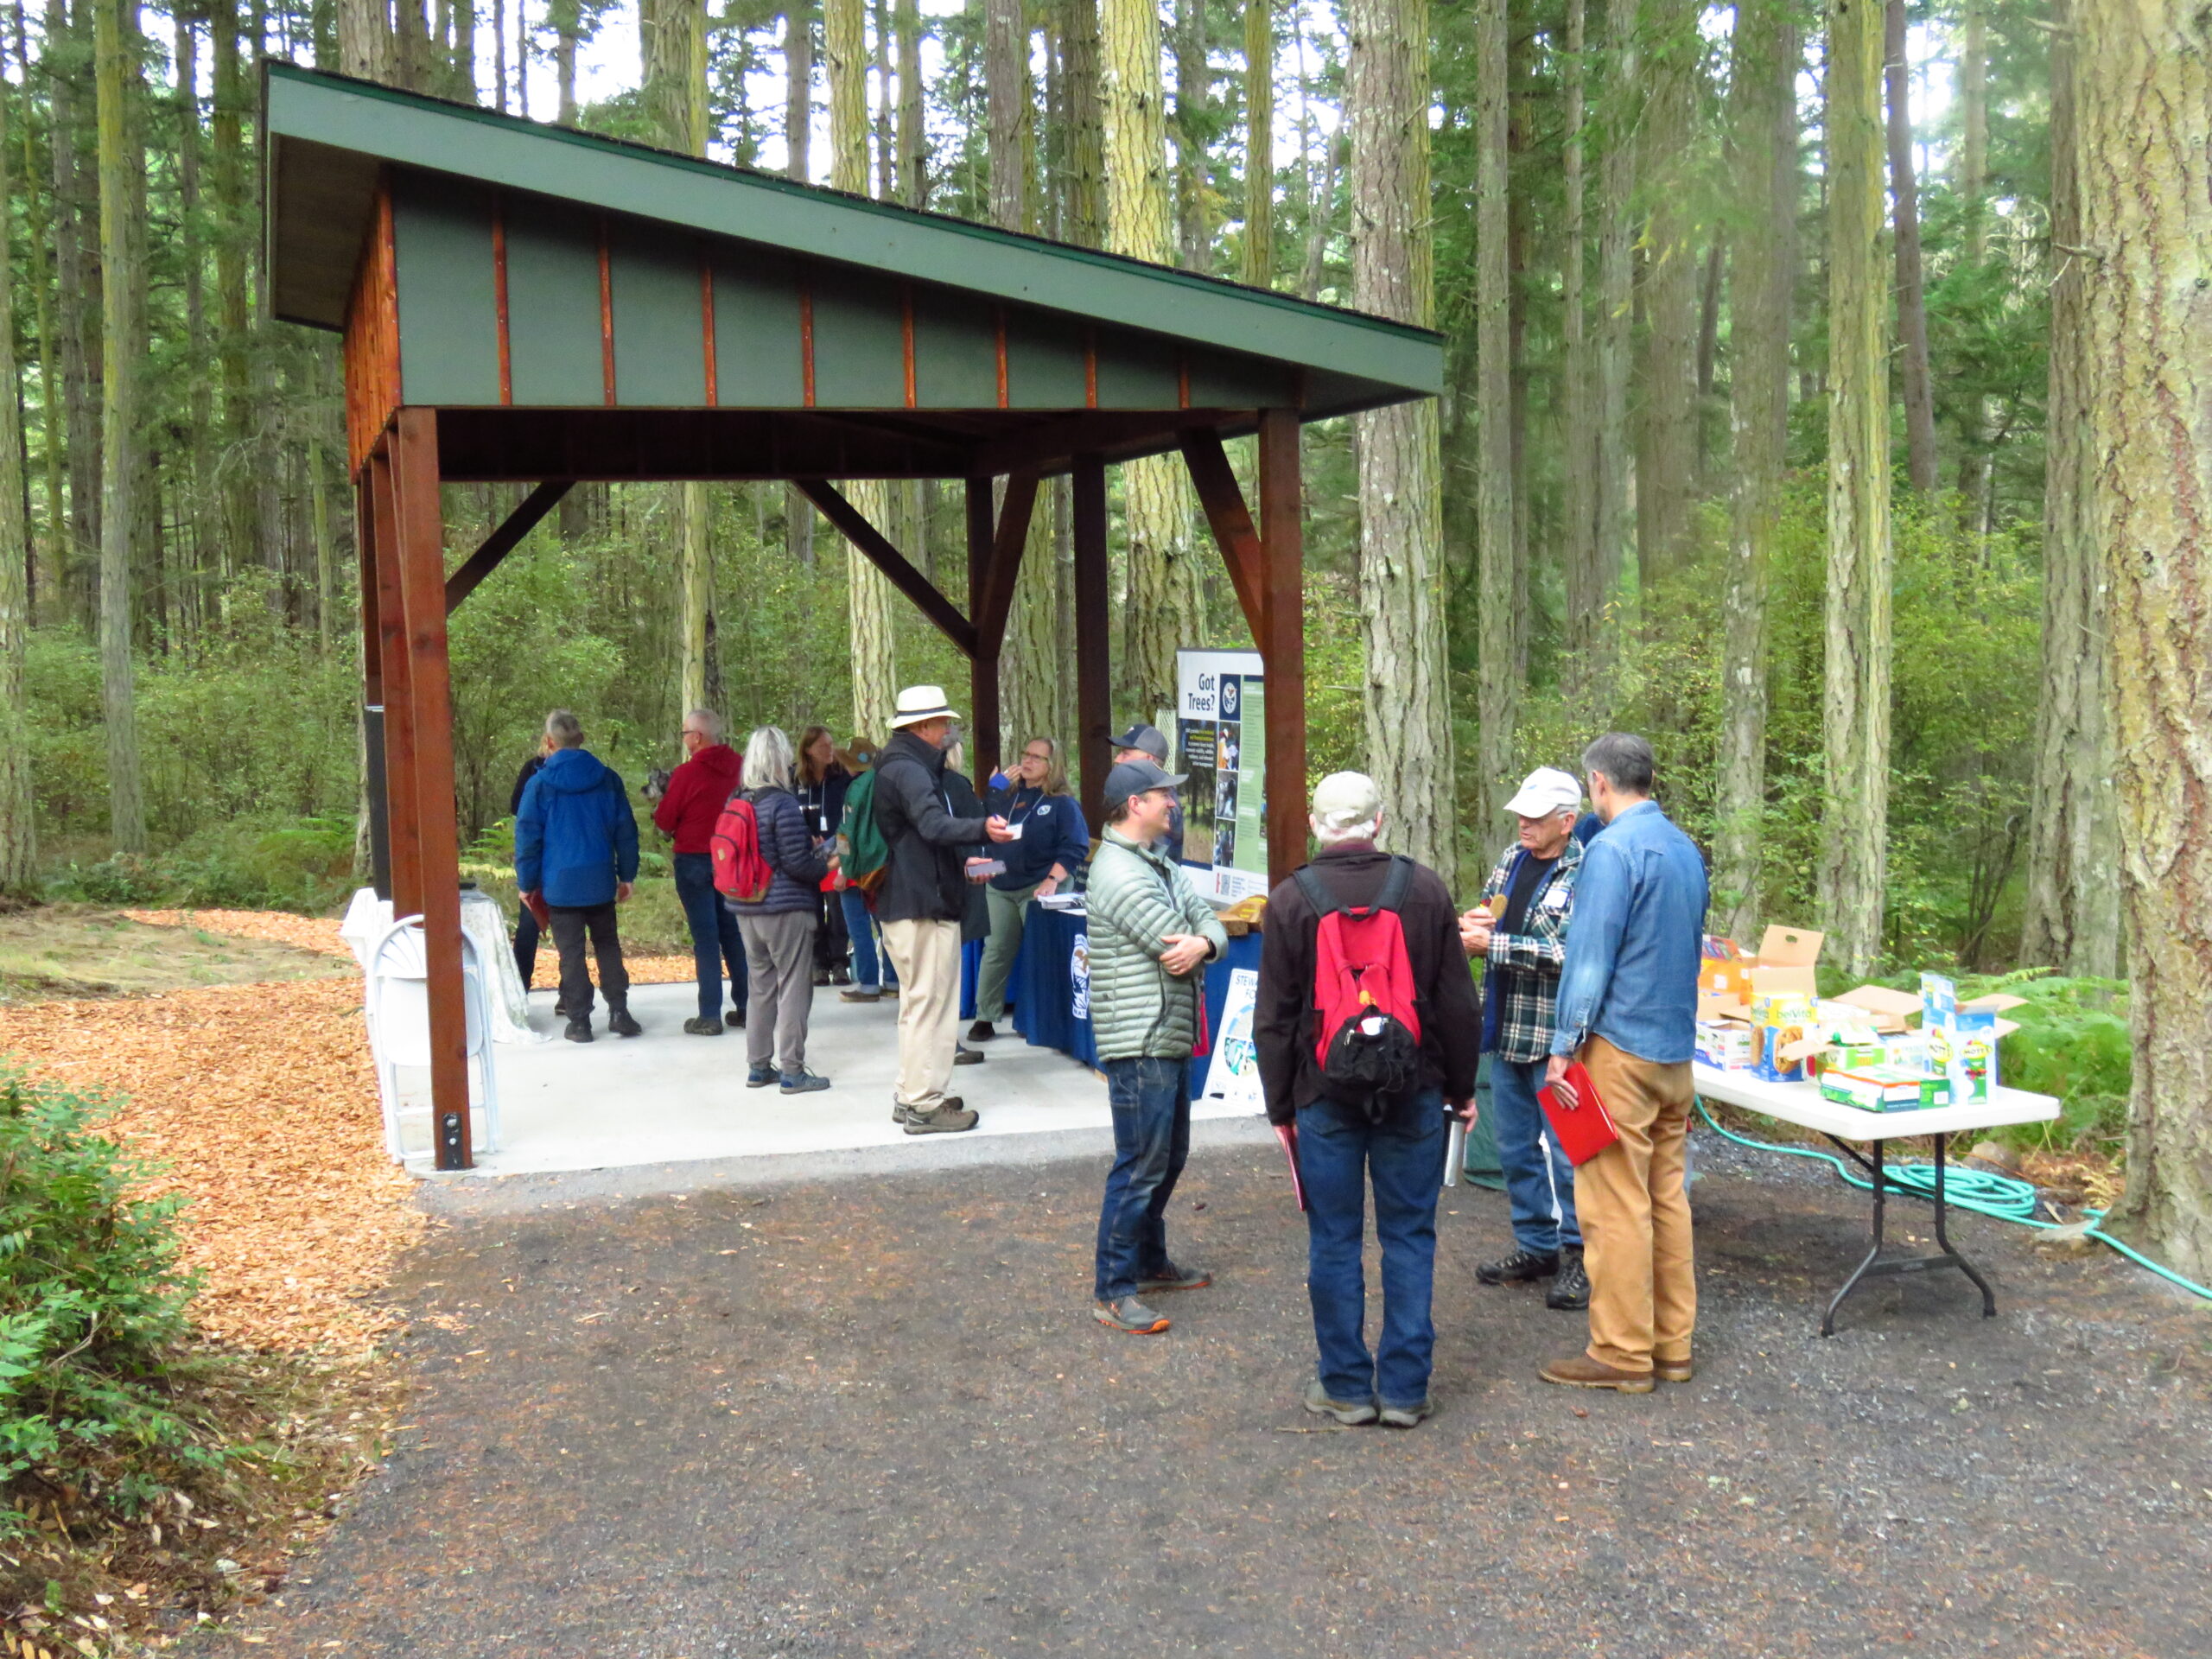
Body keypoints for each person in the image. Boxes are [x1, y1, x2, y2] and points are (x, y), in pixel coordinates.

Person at [1254, 772, 1480, 1428]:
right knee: (1410, 1235)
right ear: (1380, 822)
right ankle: (1406, 1391)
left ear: (1318, 826)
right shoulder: (1425, 889)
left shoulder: (1292, 900)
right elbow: (1458, 1006)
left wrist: (1280, 1108)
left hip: (1323, 1096)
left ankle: (1347, 1387)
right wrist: (1461, 1090)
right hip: (1414, 1092)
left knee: (1333, 1238)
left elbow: (1274, 1018)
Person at [1541, 733, 1709, 1394]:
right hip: (1675, 1056)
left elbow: (1589, 960)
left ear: (1599, 785)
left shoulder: (1611, 851)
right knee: (1667, 1200)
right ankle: (1672, 1346)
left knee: (1613, 1207)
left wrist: (1562, 1048)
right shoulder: (1685, 847)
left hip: (1620, 1052)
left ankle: (1621, 1352)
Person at [1084, 758, 1227, 1335]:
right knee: (1141, 1164)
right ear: (1135, 804)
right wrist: (1199, 940)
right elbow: (1173, 939)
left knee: (1167, 1157)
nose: (1173, 803)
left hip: (1162, 1033)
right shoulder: (1121, 873)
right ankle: (1114, 1289)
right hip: (1141, 1038)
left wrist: (1206, 944)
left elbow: (1205, 927)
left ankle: (1146, 1260)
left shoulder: (1157, 864)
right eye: (1163, 795)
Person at [1459, 766, 1588, 1310]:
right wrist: (1475, 925)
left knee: (1570, 1153)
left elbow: (1575, 955)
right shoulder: (1512, 861)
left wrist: (1498, 948)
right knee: (1515, 1148)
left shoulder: (1585, 872)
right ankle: (1537, 1246)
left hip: (1555, 1036)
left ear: (1568, 821)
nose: (1524, 824)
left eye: (1536, 817)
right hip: (1505, 1027)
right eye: (1520, 814)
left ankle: (1583, 1253)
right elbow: (1491, 913)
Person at [871, 686, 1014, 1134]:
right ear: (923, 727)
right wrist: (983, 828)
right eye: (943, 724)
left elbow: (919, 841)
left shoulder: (898, 765)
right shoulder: (910, 770)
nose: (949, 731)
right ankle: (924, 1105)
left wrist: (965, 860)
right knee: (931, 1007)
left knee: (918, 1006)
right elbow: (933, 825)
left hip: (911, 900)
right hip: (922, 907)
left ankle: (910, 1093)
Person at [514, 710, 641, 1044]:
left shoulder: (539, 784)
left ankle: (580, 1022)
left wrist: (527, 884)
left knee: (571, 953)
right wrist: (626, 875)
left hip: (559, 884)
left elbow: (528, 839)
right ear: (581, 739)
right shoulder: (608, 778)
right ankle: (619, 1012)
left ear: (551, 742)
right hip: (600, 878)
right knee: (607, 945)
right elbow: (626, 831)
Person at [731, 726, 835, 1094]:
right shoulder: (782, 803)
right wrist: (825, 862)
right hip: (785, 907)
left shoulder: (737, 801)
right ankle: (792, 1070)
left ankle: (758, 1066)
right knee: (793, 987)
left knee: (759, 985)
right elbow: (797, 865)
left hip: (746, 908)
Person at [969, 736, 1090, 1043]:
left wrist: (1052, 881)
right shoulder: (1008, 797)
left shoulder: (1062, 803)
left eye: (1037, 757)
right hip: (1001, 882)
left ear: (1053, 765)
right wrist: (994, 788)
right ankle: (985, 1016)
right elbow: (984, 824)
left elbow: (1075, 847)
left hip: (1040, 885)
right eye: (1025, 754)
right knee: (995, 950)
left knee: (1043, 953)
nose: (1027, 761)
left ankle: (1043, 1019)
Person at [652, 709, 748, 1037]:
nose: (684, 739)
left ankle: (709, 1014)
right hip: (732, 859)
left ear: (697, 737)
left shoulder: (687, 774)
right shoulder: (740, 768)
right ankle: (747, 1007)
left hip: (694, 859)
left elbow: (664, 820)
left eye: (684, 734)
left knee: (706, 938)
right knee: (734, 933)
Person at [835, 735, 899, 1003]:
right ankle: (894, 980)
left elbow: (847, 834)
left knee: (859, 928)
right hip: (890, 865)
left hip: (863, 870)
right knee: (889, 930)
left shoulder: (857, 788)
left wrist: (843, 870)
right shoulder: (889, 782)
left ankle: (869, 984)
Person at [794, 726, 853, 988]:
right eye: (822, 747)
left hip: (838, 849)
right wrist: (806, 835)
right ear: (808, 750)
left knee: (838, 907)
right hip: (806, 852)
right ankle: (818, 961)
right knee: (812, 908)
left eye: (831, 744)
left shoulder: (843, 777)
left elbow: (851, 817)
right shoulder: (795, 779)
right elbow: (789, 815)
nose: (829, 751)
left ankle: (840, 961)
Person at [508, 732, 554, 990]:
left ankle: (568, 994)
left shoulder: (535, 770)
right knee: (530, 924)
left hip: (543, 857)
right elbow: (516, 806)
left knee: (561, 926)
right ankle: (520, 985)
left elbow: (518, 809)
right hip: (541, 855)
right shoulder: (532, 768)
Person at [1109, 723, 1184, 857]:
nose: (1117, 759)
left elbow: (1152, 862)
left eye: (1126, 754)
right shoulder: (1140, 794)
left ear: (1148, 760)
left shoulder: (1162, 804)